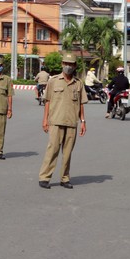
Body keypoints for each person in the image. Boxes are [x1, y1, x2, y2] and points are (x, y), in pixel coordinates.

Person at [38, 52, 87, 189]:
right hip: (55, 121)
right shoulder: (53, 81)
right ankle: (44, 177)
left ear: (75, 66)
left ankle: (65, 178)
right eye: (66, 63)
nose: (68, 66)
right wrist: (45, 120)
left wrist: (83, 121)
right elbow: (47, 101)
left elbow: (81, 104)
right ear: (62, 64)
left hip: (71, 123)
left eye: (70, 64)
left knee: (67, 152)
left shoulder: (78, 84)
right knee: (52, 150)